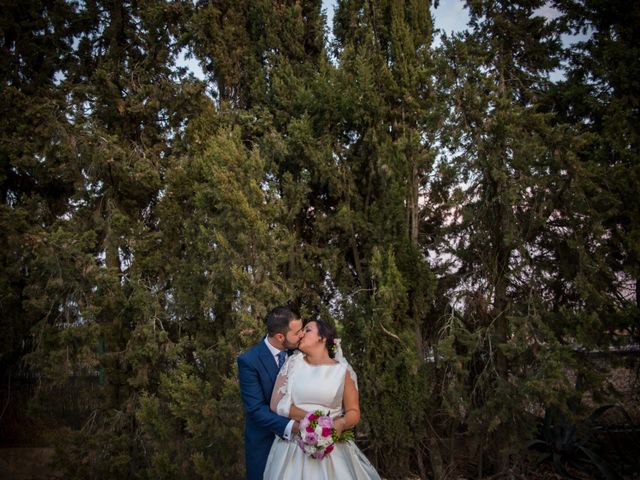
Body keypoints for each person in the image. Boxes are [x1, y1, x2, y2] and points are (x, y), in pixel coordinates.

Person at [263, 319, 381, 479]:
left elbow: (353, 411)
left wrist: (340, 423)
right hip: (293, 449)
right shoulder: (293, 363)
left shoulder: (343, 371)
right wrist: (313, 422)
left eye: (308, 329)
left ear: (323, 337)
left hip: (333, 449)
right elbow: (277, 404)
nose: (302, 334)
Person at [237, 306, 305, 480]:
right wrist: (293, 427)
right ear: (280, 337)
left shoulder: (301, 352)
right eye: (297, 332)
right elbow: (256, 409)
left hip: (303, 445)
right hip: (265, 443)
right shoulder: (249, 361)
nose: (302, 335)